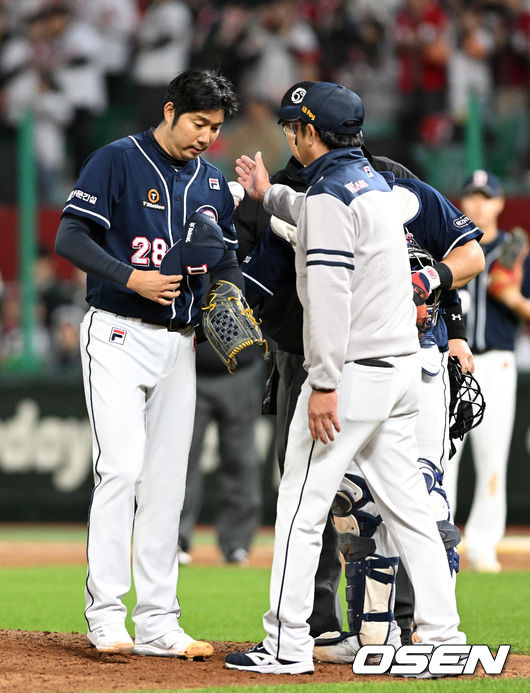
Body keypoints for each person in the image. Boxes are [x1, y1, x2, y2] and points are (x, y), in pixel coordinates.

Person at [226, 82, 465, 676]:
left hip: (351, 376)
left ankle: (286, 644)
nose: (289, 135)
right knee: (410, 511)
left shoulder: (332, 195)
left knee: (300, 508)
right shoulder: (375, 187)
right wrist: (270, 194)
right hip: (402, 374)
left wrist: (325, 381)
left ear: (309, 132)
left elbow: (329, 296)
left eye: (292, 127)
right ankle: (443, 635)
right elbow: (317, 214)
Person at [55, 68, 239, 657]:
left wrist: (227, 297)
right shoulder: (117, 159)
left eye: (214, 127)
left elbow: (225, 263)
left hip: (177, 345)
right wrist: (129, 275)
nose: (206, 136)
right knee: (121, 471)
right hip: (115, 333)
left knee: (166, 486)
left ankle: (159, 622)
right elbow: (71, 237)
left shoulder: (211, 182)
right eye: (197, 123)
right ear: (169, 111)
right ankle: (106, 614)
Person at [444, 170, 530, 573]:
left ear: (498, 203)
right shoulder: (451, 248)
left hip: (496, 360)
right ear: (463, 203)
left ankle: (481, 544)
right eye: (472, 196)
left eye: (486, 197)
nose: (478, 203)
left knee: (492, 457)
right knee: (445, 456)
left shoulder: (513, 253)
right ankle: (440, 537)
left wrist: (511, 296)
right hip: (451, 363)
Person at [178, 308, 264, 567]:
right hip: (189, 369)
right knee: (181, 459)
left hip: (242, 370)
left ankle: (237, 545)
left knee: (241, 460)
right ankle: (175, 539)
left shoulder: (245, 265)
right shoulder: (187, 265)